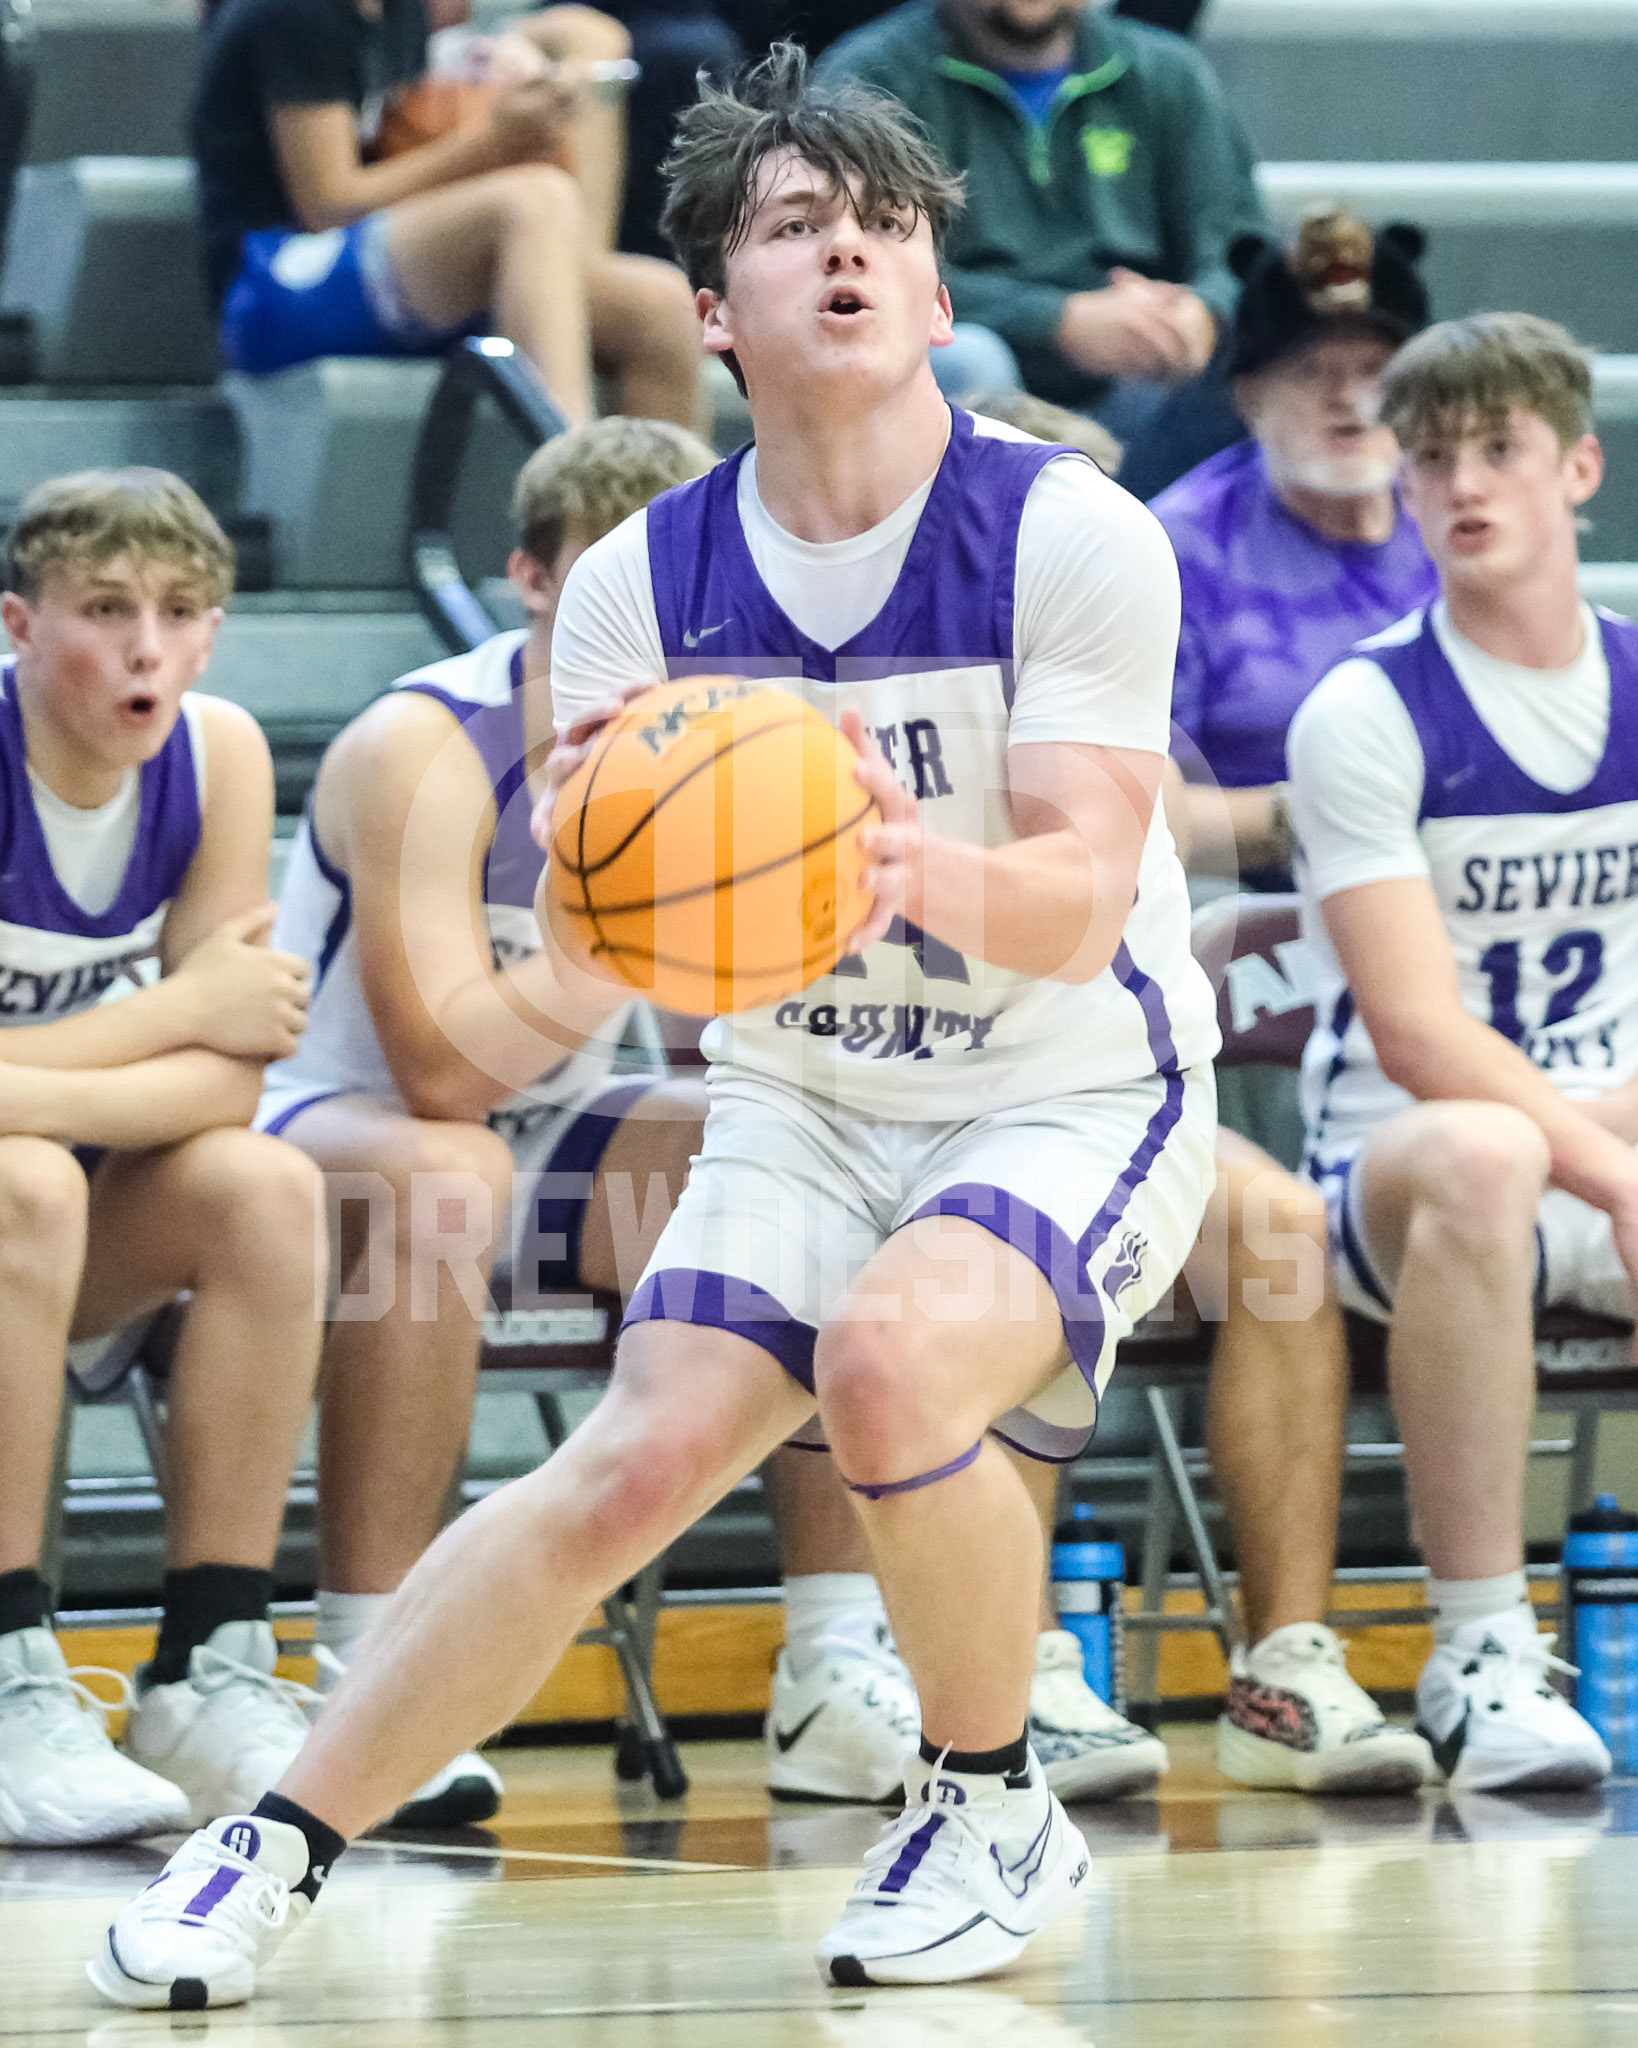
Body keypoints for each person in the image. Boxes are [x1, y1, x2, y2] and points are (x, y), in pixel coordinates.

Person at [92, 46, 1220, 2006]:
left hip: (1065, 1082)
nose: (846, 254)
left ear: (935, 287)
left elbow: (1075, 900)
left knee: (889, 1361)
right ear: (710, 309)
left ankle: (985, 1797)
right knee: (625, 1465)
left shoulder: (1069, 533)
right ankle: (270, 1841)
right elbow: (637, 960)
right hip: (801, 1093)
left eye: (883, 226)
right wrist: (624, 886)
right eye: (795, 226)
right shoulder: (634, 584)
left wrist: (882, 861)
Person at [247, 415, 718, 1828]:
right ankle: (365, 1664)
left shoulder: (719, 744)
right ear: (529, 579)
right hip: (329, 1127)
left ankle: (830, 1653)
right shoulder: (422, 743)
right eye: (609, 583)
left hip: (550, 1129)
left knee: (786, 1158)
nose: (646, 625)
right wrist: (627, 933)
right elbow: (440, 1076)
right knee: (445, 1173)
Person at [1287, 311, 1622, 1793]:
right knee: (1487, 1152)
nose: (1464, 483)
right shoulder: (1365, 710)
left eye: (1498, 449)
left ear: (1578, 469)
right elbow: (1419, 1036)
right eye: (1432, 459)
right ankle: (1479, 1651)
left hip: (1607, 1135)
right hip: (1403, 1173)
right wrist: (1615, 1171)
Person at [0, 469, 326, 1846]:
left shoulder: (220, 754)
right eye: (105, 609)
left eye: (181, 611)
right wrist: (176, 1009)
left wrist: (56, 1077)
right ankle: (9, 1671)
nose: (147, 646)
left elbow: (231, 1079)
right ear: (20, 624)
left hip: (57, 1229)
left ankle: (207, 1665)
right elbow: (199, 1027)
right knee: (25, 1182)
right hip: (30, 1204)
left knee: (267, 1189)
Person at [815, 0, 1266, 499]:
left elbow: (1240, 257)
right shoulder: (871, 80)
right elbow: (858, 267)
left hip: (1141, 378)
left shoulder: (1171, 75)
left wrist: (1200, 314)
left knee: (1248, 361)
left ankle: (1171, 544)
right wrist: (1057, 322)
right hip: (974, 368)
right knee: (967, 360)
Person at [191, 0, 701, 426]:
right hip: (270, 282)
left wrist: (537, 61)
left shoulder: (401, 11)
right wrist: (491, 145)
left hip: (376, 261)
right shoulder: (296, 12)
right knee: (534, 201)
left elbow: (574, 31)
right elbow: (328, 204)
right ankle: (567, 486)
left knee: (661, 307)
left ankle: (672, 517)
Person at [1153, 207, 1439, 887]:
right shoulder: (1170, 551)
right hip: (1249, 902)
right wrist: (1319, 815)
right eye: (1310, 370)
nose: (1348, 399)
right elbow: (1132, 808)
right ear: (1249, 397)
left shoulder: (1465, 509)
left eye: (1376, 370)